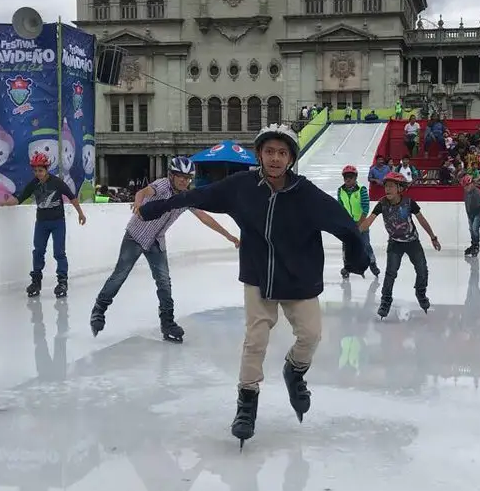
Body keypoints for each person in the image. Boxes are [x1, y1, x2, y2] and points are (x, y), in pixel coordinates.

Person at [136, 125, 369, 447]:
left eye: (282, 153)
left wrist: (358, 256)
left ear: (290, 159)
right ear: (259, 154)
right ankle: (247, 403)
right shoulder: (241, 187)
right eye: (269, 151)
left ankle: (295, 371)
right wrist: (153, 208)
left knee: (311, 335)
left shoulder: (306, 193)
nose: (275, 158)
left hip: (299, 279)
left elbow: (345, 224)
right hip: (259, 276)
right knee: (255, 339)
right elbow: (194, 196)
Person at [90, 156, 239, 341]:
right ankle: (99, 309)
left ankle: (167, 322)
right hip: (135, 236)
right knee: (120, 275)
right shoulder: (162, 185)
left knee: (164, 282)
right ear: (171, 176)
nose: (184, 181)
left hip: (156, 242)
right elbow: (143, 192)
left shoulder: (187, 198)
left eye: (187, 178)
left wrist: (229, 236)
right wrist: (138, 202)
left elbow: (204, 217)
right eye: (180, 176)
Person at [359, 171, 442, 319]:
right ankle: (385, 302)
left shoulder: (409, 202)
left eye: (391, 186)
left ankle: (420, 293)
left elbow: (422, 220)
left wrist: (433, 237)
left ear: (400, 188)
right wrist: (356, 231)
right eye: (386, 186)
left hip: (412, 242)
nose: (388, 189)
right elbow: (369, 220)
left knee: (422, 270)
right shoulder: (382, 203)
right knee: (390, 274)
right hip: (395, 243)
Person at [3, 152, 87, 299]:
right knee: (38, 251)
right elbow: (19, 199)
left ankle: (62, 281)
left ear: (47, 169)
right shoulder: (34, 183)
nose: (38, 174)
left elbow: (72, 197)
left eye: (40, 170)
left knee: (59, 252)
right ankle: (36, 281)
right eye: (35, 171)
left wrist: (80, 213)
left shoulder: (57, 182)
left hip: (57, 222)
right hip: (41, 223)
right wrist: (5, 204)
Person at [337, 164, 380, 278]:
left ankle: (372, 264)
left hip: (362, 223)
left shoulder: (362, 190)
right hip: (347, 224)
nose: (347, 179)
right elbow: (340, 207)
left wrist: (360, 222)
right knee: (346, 246)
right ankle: (347, 267)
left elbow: (365, 207)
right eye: (346, 177)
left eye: (350, 177)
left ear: (355, 178)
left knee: (365, 245)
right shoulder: (340, 190)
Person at [461, 174, 480, 257]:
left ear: (472, 184)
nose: (465, 188)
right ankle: (473, 244)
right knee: (471, 229)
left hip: (479, 212)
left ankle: (476, 245)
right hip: (470, 213)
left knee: (474, 228)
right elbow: (467, 204)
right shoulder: (466, 192)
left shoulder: (477, 192)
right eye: (464, 186)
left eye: (467, 186)